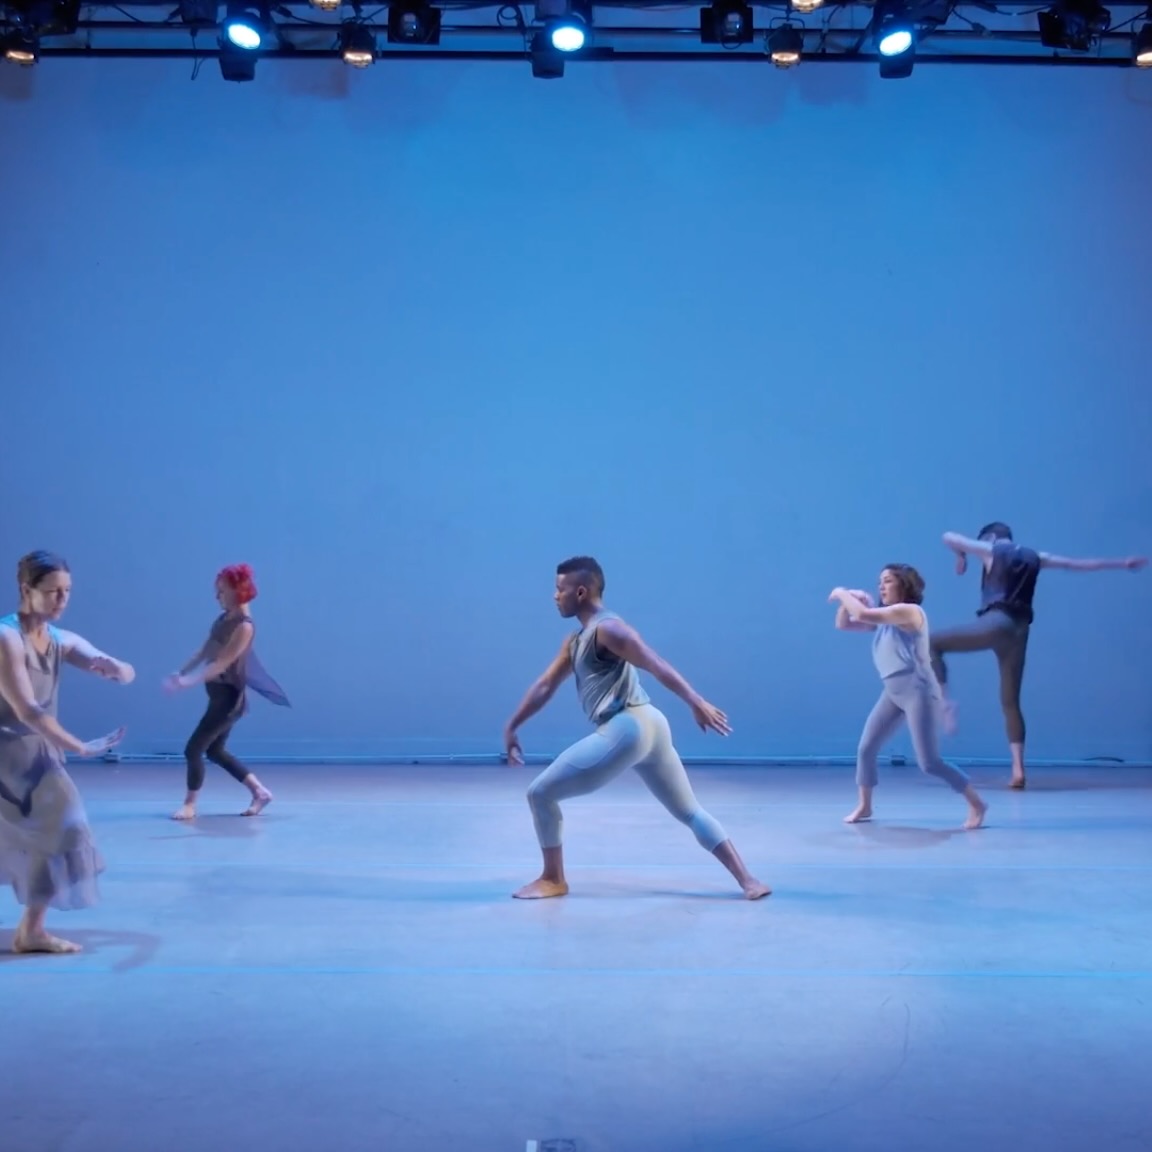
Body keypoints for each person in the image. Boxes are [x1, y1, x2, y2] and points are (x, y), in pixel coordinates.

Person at [502, 556, 770, 901]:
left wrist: (696, 701)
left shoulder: (608, 628)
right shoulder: (575, 642)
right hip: (651, 725)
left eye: (559, 589)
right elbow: (544, 686)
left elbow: (654, 663)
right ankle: (749, 882)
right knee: (689, 811)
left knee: (540, 793)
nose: (555, 596)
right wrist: (513, 725)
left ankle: (553, 879)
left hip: (628, 728)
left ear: (581, 592)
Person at [934, 522, 1146, 789]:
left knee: (932, 643)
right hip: (1020, 633)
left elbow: (948, 536)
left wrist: (961, 554)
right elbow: (1076, 565)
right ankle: (1018, 770)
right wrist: (1121, 563)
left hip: (996, 622)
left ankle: (946, 702)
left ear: (990, 537)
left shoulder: (989, 549)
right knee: (1010, 702)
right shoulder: (1036, 557)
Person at [0, 550, 132, 954]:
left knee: (68, 826)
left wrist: (112, 667)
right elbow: (28, 710)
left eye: (67, 591)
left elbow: (105, 661)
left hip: (39, 759)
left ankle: (31, 930)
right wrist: (79, 746)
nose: (62, 599)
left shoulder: (58, 638)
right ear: (26, 590)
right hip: (5, 757)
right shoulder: (6, 638)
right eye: (53, 591)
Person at [830, 566, 987, 830]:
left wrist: (842, 593)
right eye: (879, 582)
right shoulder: (887, 619)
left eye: (888, 581)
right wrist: (851, 600)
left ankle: (977, 804)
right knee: (866, 748)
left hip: (918, 691)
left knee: (929, 762)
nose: (881, 587)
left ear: (904, 585)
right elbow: (844, 623)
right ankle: (865, 805)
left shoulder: (910, 612)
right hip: (892, 692)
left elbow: (863, 613)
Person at [164, 563, 289, 821]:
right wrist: (182, 672)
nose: (217, 597)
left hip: (229, 700)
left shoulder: (244, 627)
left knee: (194, 749)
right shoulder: (223, 620)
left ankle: (190, 805)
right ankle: (260, 792)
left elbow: (222, 663)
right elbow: (205, 651)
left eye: (221, 591)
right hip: (217, 694)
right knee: (214, 750)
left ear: (238, 591)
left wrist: (189, 682)